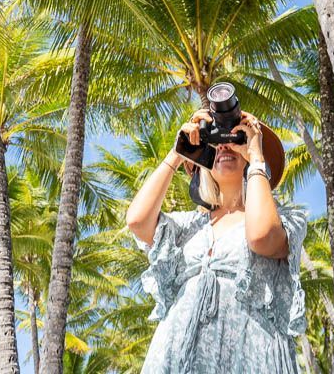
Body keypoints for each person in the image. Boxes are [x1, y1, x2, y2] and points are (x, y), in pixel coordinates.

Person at [125, 108, 309, 374]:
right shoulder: (189, 226)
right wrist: (177, 153)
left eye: (236, 139)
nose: (224, 146)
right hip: (175, 358)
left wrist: (256, 155)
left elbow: (261, 237)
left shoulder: (285, 220)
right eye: (216, 142)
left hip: (249, 357)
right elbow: (137, 221)